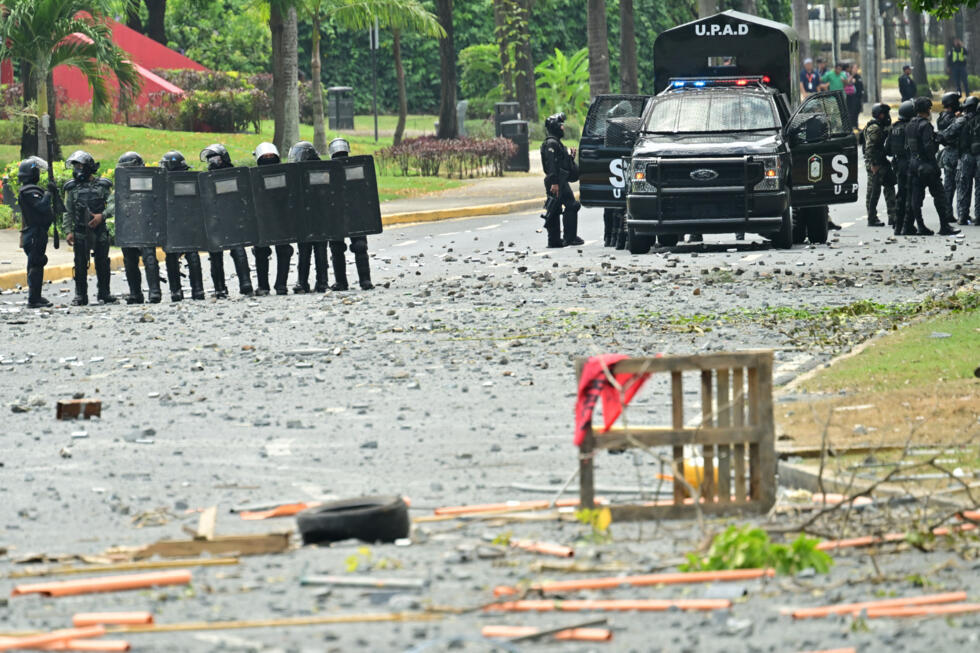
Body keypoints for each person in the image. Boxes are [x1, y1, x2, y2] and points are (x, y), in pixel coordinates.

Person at [62, 150, 116, 305]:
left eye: (79, 166)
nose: (77, 170)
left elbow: (113, 204)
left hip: (99, 231)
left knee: (103, 263)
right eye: (75, 166)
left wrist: (102, 216)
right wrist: (68, 231)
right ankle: (80, 295)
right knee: (79, 264)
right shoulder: (72, 188)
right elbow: (68, 211)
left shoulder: (103, 185)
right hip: (80, 231)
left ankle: (104, 293)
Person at [200, 144, 253, 297]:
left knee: (238, 249)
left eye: (216, 159)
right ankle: (219, 288)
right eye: (210, 160)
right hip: (215, 220)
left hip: (233, 218)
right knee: (215, 254)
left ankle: (246, 283)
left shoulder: (235, 175)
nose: (212, 163)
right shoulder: (206, 179)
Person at [906, 97, 961, 236]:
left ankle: (920, 226)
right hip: (926, 165)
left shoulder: (910, 124)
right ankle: (944, 226)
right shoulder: (926, 125)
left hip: (913, 164)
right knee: (939, 195)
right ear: (927, 110)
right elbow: (929, 148)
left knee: (916, 198)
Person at [113, 152, 162, 304]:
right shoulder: (121, 185)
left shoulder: (149, 181)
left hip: (146, 225)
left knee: (149, 258)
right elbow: (113, 202)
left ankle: (154, 292)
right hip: (128, 226)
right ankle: (135, 293)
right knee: (129, 260)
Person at [327, 138, 374, 290]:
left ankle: (360, 281)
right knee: (340, 247)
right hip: (344, 213)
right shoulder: (328, 170)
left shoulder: (355, 168)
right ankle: (352, 281)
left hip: (352, 212)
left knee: (352, 246)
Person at [159, 150, 206, 301]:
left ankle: (180, 291)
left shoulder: (185, 182)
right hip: (181, 223)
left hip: (181, 223)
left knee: (180, 255)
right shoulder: (186, 181)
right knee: (185, 255)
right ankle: (194, 290)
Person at [287, 141, 329, 293]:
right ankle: (303, 282)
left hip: (318, 216)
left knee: (320, 250)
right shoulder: (297, 172)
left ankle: (322, 282)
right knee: (304, 251)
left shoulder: (320, 171)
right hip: (305, 217)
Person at [251, 142, 293, 295]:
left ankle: (281, 285)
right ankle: (263, 286)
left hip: (281, 217)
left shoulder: (285, 174)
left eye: (271, 156)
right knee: (261, 251)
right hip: (262, 218)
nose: (268, 158)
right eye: (265, 156)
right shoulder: (253, 176)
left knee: (284, 250)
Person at [16, 156, 57, 308]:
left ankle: (36, 296)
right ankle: (34, 299)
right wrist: (48, 193)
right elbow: (41, 207)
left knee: (37, 262)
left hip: (37, 232)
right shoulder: (28, 191)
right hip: (34, 233)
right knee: (35, 264)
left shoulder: (30, 190)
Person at [540, 112, 583, 248]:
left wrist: (570, 157)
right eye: (561, 125)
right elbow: (552, 165)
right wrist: (554, 183)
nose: (563, 128)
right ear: (555, 127)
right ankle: (564, 238)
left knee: (558, 207)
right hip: (556, 181)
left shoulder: (556, 143)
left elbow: (562, 163)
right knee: (564, 206)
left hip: (560, 180)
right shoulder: (551, 144)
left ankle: (558, 239)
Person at [885, 100, 916, 235]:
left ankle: (898, 225)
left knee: (901, 194)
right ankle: (906, 225)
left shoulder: (894, 128)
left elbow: (888, 150)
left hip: (898, 165)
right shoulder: (910, 127)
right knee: (911, 195)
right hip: (909, 164)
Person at [863, 103, 895, 227]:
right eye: (885, 114)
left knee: (889, 186)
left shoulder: (881, 126)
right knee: (873, 192)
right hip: (874, 163)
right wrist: (873, 164)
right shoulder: (874, 128)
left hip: (881, 160)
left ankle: (893, 216)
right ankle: (871, 218)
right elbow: (869, 148)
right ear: (880, 115)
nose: (887, 116)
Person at [936, 92, 962, 220]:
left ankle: (947, 212)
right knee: (959, 184)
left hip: (947, 153)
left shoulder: (941, 117)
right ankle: (961, 213)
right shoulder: (953, 119)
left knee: (948, 185)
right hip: (955, 153)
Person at [956, 96, 980, 226]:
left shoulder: (963, 120)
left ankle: (962, 216)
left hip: (965, 157)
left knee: (964, 187)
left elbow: (949, 133)